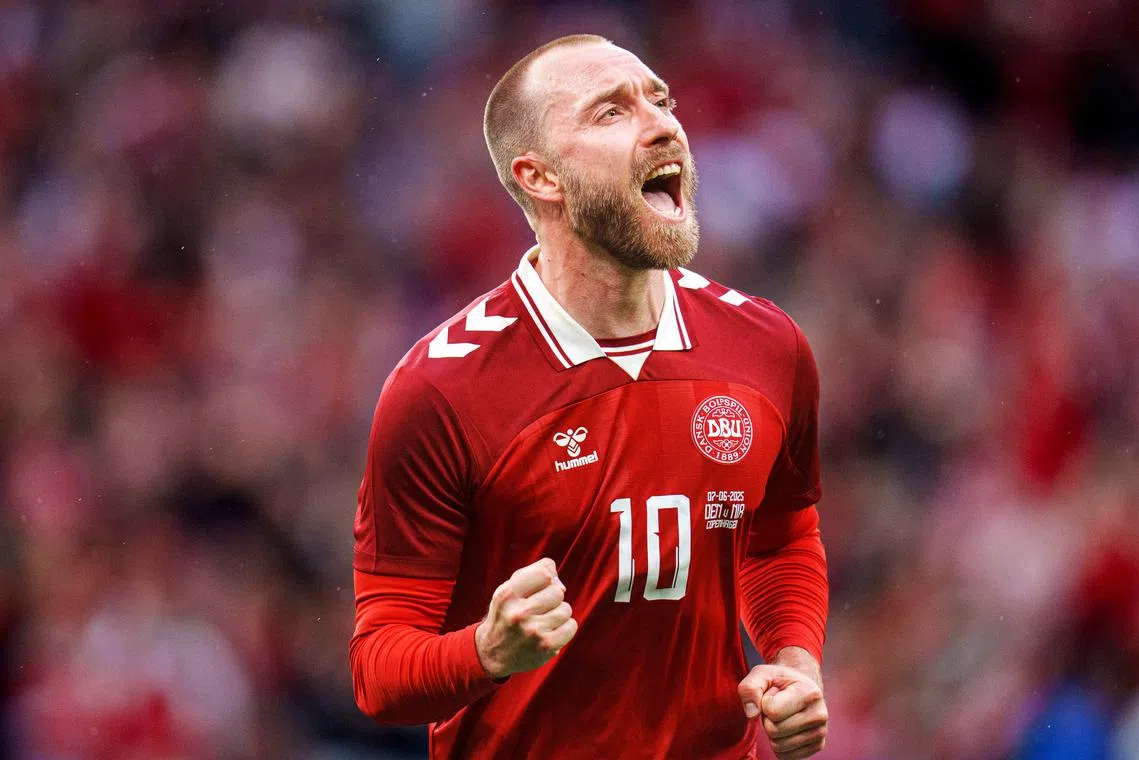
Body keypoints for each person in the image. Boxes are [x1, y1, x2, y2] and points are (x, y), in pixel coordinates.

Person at [350, 34, 829, 760]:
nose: (664, 124)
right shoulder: (439, 390)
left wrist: (794, 661)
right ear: (540, 177)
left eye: (660, 100)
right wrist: (484, 651)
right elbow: (378, 669)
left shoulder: (766, 345)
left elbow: (783, 534)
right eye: (611, 113)